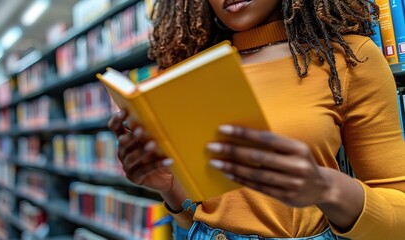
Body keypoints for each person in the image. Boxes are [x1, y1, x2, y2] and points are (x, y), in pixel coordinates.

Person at [108, 0, 405, 239]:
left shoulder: (349, 58)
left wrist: (327, 188)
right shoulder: (191, 72)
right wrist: (169, 188)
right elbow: (197, 216)